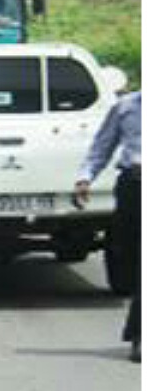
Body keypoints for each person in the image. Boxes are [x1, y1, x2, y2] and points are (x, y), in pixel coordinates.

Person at [75, 91, 142, 363]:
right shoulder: (126, 107)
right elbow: (102, 146)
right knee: (136, 262)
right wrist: (85, 178)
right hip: (136, 187)